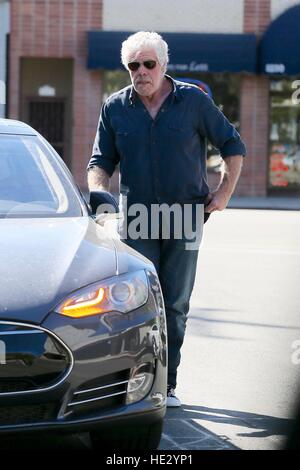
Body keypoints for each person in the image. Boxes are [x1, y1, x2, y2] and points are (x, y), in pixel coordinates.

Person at [87, 31, 246, 407]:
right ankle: (132, 382)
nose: (140, 72)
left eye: (148, 64)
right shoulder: (115, 107)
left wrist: (223, 193)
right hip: (137, 218)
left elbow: (232, 145)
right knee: (134, 304)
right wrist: (100, 197)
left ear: (163, 65)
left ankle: (167, 384)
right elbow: (101, 163)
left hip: (186, 217)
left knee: (174, 304)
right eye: (133, 66)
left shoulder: (193, 101)